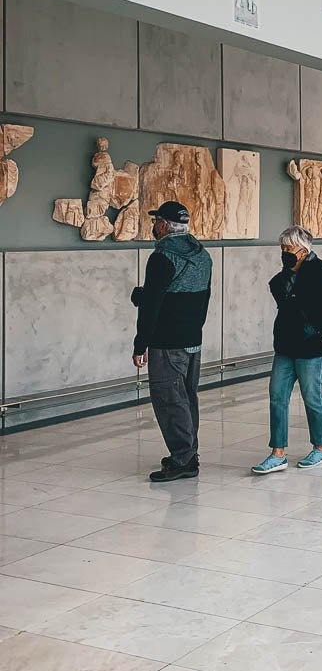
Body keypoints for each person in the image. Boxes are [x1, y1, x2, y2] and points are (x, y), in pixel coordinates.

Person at [131, 201, 212, 483]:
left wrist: (140, 343)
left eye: (156, 222)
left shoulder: (163, 257)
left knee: (168, 399)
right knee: (187, 397)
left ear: (165, 225)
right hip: (192, 338)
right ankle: (189, 452)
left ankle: (182, 459)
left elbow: (152, 305)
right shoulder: (202, 255)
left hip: (166, 341)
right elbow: (195, 297)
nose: (154, 226)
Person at [252, 227, 322, 473]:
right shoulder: (286, 274)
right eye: (282, 249)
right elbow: (282, 301)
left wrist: (295, 299)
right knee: (277, 395)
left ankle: (321, 448)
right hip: (286, 345)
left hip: (312, 346)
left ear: (303, 250)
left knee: (312, 396)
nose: (285, 253)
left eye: (289, 249)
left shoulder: (320, 271)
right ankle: (277, 452)